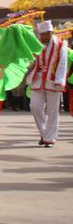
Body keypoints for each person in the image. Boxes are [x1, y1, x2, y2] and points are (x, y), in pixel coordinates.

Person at [26, 20, 67, 148]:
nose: (46, 36)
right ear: (40, 34)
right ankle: (45, 133)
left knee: (52, 111)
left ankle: (49, 139)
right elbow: (30, 61)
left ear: (51, 32)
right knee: (35, 107)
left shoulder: (61, 44)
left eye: (48, 33)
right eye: (43, 34)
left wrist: (59, 80)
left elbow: (63, 63)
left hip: (54, 81)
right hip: (38, 79)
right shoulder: (35, 44)